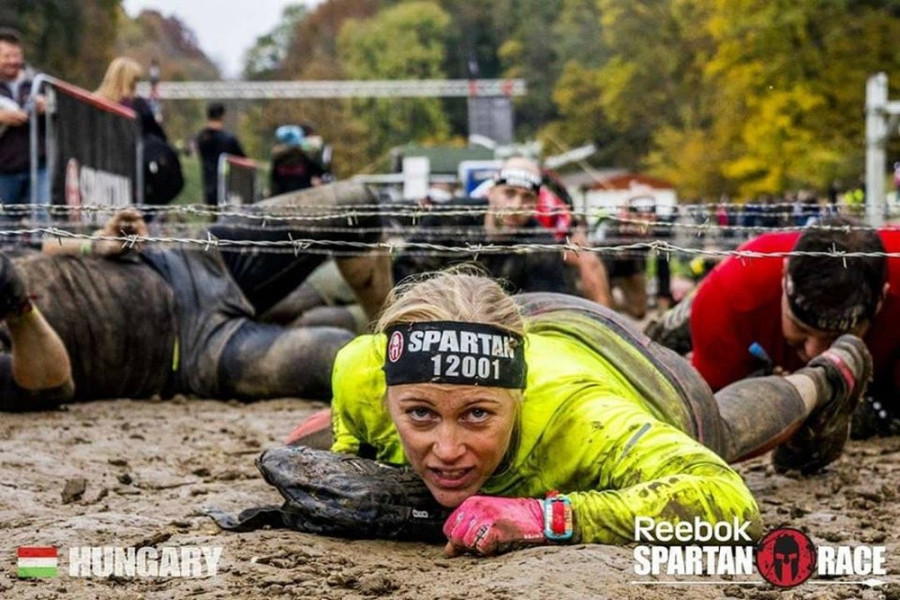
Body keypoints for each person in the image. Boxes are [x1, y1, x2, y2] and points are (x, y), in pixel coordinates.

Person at [255, 267, 871, 557]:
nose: (445, 450)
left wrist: (547, 516)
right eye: (419, 415)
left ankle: (826, 376)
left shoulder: (585, 422)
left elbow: (732, 502)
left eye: (477, 417)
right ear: (386, 391)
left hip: (640, 373)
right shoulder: (361, 368)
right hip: (528, 316)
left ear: (516, 399)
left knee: (722, 431)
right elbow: (354, 441)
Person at [0, 182, 392, 410]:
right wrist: (18, 308)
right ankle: (384, 341)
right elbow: (52, 385)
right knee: (353, 363)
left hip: (191, 261)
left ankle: (392, 327)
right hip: (197, 351)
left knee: (355, 203)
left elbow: (45, 244)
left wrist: (97, 243)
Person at [647, 216, 900, 438]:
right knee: (659, 354)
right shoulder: (733, 296)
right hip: (743, 307)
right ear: (784, 275)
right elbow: (711, 422)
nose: (814, 352)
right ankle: (675, 320)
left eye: (835, 338)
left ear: (881, 300)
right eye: (800, 330)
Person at [0, 27, 48, 211]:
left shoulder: (39, 82)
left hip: (38, 166)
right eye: (7, 56)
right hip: (3, 169)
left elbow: (61, 116)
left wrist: (46, 107)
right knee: (4, 228)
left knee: (42, 223)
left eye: (17, 55)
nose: (14, 61)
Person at [94, 57, 167, 142]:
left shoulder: (92, 103)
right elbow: (158, 137)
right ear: (130, 82)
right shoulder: (137, 105)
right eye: (136, 80)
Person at [196, 102, 245, 206]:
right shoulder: (229, 140)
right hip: (227, 188)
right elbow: (243, 160)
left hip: (208, 187)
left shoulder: (201, 138)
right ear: (223, 116)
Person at [269, 125, 325, 195]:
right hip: (302, 196)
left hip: (283, 197)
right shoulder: (303, 158)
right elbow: (319, 171)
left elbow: (274, 181)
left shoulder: (278, 160)